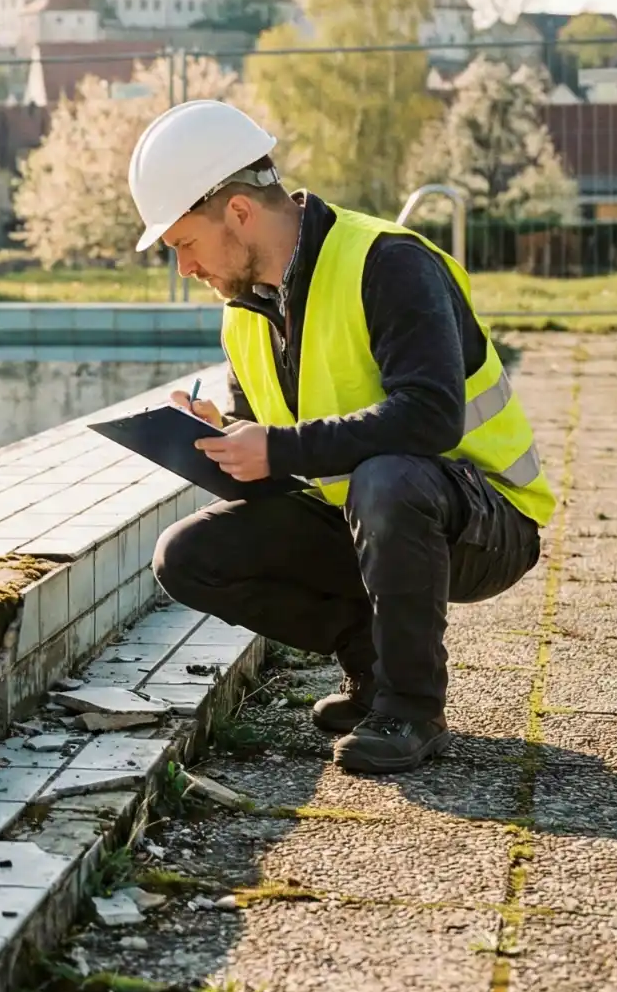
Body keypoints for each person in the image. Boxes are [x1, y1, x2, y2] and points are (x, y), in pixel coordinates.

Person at [132, 100, 550, 774]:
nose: (185, 269)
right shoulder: (244, 317)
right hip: (367, 516)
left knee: (388, 478)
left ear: (238, 212)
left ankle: (413, 708)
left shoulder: (388, 262)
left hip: (485, 519)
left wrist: (278, 446)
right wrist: (223, 437)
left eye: (184, 243)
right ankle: (374, 667)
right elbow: (280, 450)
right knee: (186, 555)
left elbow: (430, 416)